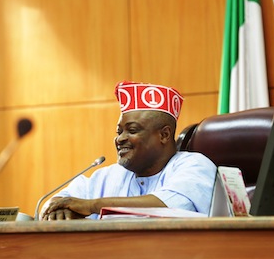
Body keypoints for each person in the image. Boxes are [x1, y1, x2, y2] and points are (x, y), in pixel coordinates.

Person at [41, 81, 217, 220]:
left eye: (132, 130)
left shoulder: (195, 165)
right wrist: (59, 210)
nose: (120, 139)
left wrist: (92, 206)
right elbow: (57, 200)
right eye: (119, 132)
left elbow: (167, 207)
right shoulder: (108, 177)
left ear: (164, 135)